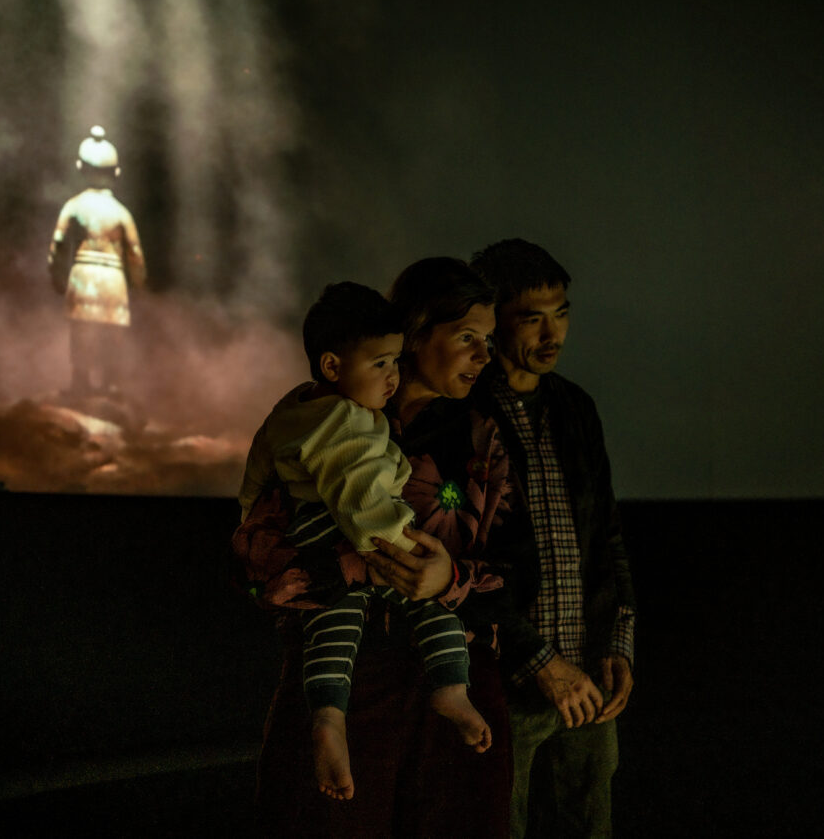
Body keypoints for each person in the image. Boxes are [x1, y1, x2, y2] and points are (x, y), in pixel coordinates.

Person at [234, 258, 525, 838]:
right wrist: (337, 566)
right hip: (344, 674)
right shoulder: (317, 414)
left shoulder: (483, 435)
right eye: (468, 338)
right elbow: (256, 542)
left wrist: (447, 581)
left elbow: (519, 574)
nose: (484, 356)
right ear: (416, 332)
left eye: (488, 341)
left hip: (454, 676)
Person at [468, 238, 637, 839]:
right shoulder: (463, 411)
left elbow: (607, 535)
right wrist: (541, 663)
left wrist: (616, 641)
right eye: (532, 318)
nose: (553, 333)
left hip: (587, 679)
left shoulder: (574, 407)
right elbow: (466, 566)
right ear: (491, 322)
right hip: (501, 682)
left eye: (561, 313)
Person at [47, 125, 147, 395]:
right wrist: (138, 282)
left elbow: (57, 246)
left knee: (80, 334)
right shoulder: (121, 212)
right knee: (112, 337)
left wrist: (57, 276)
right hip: (113, 282)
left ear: (80, 167)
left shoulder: (74, 206)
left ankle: (80, 381)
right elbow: (135, 254)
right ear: (116, 173)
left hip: (82, 279)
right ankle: (110, 385)